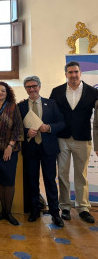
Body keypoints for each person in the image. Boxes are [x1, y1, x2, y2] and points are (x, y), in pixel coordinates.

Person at [50, 61, 98, 223]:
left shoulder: (93, 92)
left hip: (83, 138)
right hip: (62, 138)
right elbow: (51, 114)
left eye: (76, 72)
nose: (73, 75)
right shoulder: (56, 92)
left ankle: (83, 207)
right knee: (62, 174)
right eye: (70, 72)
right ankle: (64, 206)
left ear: (81, 73)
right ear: (65, 74)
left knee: (81, 175)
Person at [18, 76, 65, 227]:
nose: (32, 89)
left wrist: (49, 128)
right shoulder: (21, 106)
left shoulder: (51, 103)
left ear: (39, 86)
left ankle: (54, 213)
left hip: (48, 148)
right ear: (25, 89)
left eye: (34, 86)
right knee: (32, 180)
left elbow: (62, 123)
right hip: (30, 148)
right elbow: (17, 127)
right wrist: (26, 132)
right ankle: (34, 210)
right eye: (28, 87)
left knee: (50, 181)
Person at [0, 81, 23, 226]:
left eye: (3, 91)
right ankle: (3, 211)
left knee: (8, 182)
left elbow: (18, 128)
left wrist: (10, 145)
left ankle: (8, 212)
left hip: (8, 151)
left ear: (7, 93)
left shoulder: (13, 107)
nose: (0, 93)